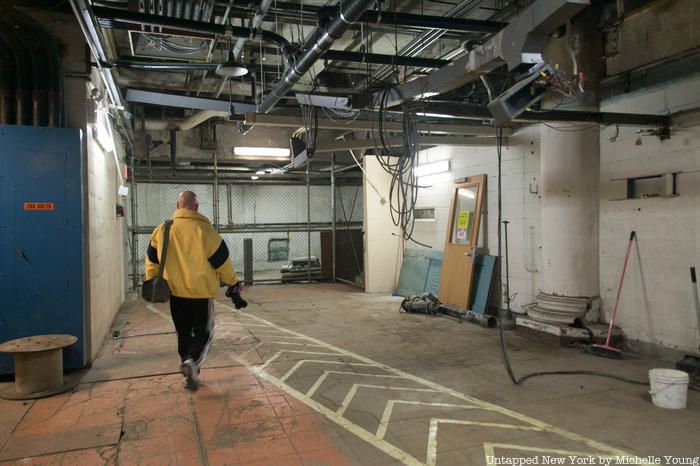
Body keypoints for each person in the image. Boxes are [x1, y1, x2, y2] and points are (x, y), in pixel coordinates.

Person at [145, 190, 241, 389]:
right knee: (204, 333)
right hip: (201, 295)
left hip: (175, 294)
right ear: (196, 208)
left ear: (178, 206)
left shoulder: (163, 230)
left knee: (183, 332)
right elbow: (222, 261)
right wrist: (232, 282)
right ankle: (192, 362)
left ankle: (188, 367)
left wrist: (151, 279)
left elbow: (152, 260)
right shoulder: (205, 231)